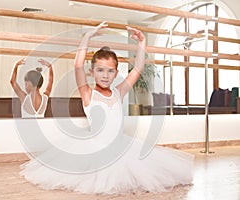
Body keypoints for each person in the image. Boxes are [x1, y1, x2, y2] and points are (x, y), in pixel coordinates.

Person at [20, 22, 194, 194]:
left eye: (110, 71)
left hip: (121, 147)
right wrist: (87, 37)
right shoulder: (88, 94)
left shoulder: (119, 92)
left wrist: (141, 43)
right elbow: (77, 66)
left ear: (116, 73)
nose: (105, 75)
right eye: (100, 70)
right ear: (92, 71)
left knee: (147, 173)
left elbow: (138, 69)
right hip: (96, 149)